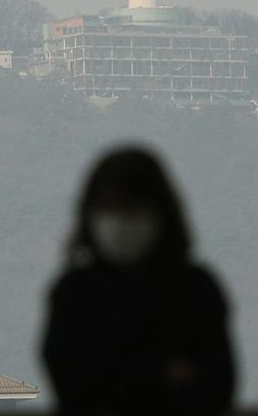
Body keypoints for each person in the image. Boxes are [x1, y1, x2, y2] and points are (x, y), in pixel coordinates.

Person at [41, 146, 237, 416]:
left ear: (162, 213)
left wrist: (115, 373)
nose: (120, 221)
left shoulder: (196, 290)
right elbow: (73, 386)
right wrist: (162, 373)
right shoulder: (73, 293)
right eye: (109, 207)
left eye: (132, 208)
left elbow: (217, 389)